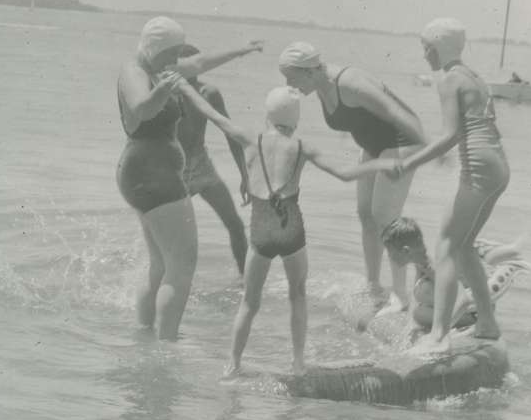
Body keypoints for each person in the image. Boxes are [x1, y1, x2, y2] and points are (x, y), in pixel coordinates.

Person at [180, 84, 401, 375]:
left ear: (267, 115)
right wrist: (382, 163)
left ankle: (233, 364)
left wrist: (184, 85)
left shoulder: (250, 138)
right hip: (291, 229)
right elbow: (345, 174)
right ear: (295, 120)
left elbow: (210, 113)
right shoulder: (302, 147)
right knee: (297, 295)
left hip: (261, 228)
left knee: (249, 301)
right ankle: (298, 362)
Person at [115, 17, 262, 340]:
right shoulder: (134, 71)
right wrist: (165, 88)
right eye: (170, 54)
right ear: (153, 48)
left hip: (147, 173)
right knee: (181, 267)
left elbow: (201, 62)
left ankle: (144, 336)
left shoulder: (158, 67)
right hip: (153, 175)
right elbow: (141, 108)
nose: (175, 62)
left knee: (160, 265)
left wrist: (243, 50)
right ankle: (167, 344)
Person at [277, 42, 426, 313]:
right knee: (365, 215)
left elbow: (397, 113)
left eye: (291, 78)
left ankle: (401, 296)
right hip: (373, 147)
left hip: (401, 143)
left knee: (386, 219)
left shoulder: (350, 83)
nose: (289, 85)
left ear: (308, 70)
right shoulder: (321, 86)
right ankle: (373, 287)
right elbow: (357, 119)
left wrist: (426, 150)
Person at [394, 18, 511, 353]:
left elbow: (449, 137)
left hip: (478, 166)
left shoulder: (447, 79)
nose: (424, 54)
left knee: (445, 247)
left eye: (425, 48)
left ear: (437, 47)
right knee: (463, 245)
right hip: (499, 166)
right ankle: (486, 323)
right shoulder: (474, 76)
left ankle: (439, 335)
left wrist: (408, 164)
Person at [381, 217, 528, 342]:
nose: (389, 257)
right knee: (418, 311)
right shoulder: (420, 261)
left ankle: (469, 329)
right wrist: (409, 326)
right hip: (463, 308)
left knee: (424, 294)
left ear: (406, 251)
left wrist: (440, 334)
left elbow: (461, 298)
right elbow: (415, 300)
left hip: (473, 312)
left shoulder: (434, 267)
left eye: (390, 252)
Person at [175, 44, 250, 275]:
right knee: (176, 237)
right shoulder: (167, 93)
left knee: (235, 225)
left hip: (202, 167)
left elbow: (229, 132)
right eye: (186, 64)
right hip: (173, 171)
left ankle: (245, 282)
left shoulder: (209, 93)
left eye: (198, 63)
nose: (194, 70)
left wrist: (244, 174)